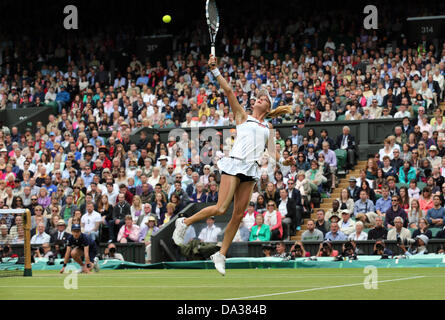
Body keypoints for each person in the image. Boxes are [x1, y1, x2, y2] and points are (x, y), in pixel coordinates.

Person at [172, 54, 292, 275]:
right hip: (235, 165)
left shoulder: (268, 129)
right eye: (258, 97)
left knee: (238, 215)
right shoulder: (242, 116)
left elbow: (276, 155)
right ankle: (184, 222)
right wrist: (215, 70)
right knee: (220, 208)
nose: (259, 99)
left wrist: (286, 160)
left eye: (263, 99)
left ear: (267, 107)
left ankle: (221, 254)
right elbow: (228, 91)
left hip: (251, 170)